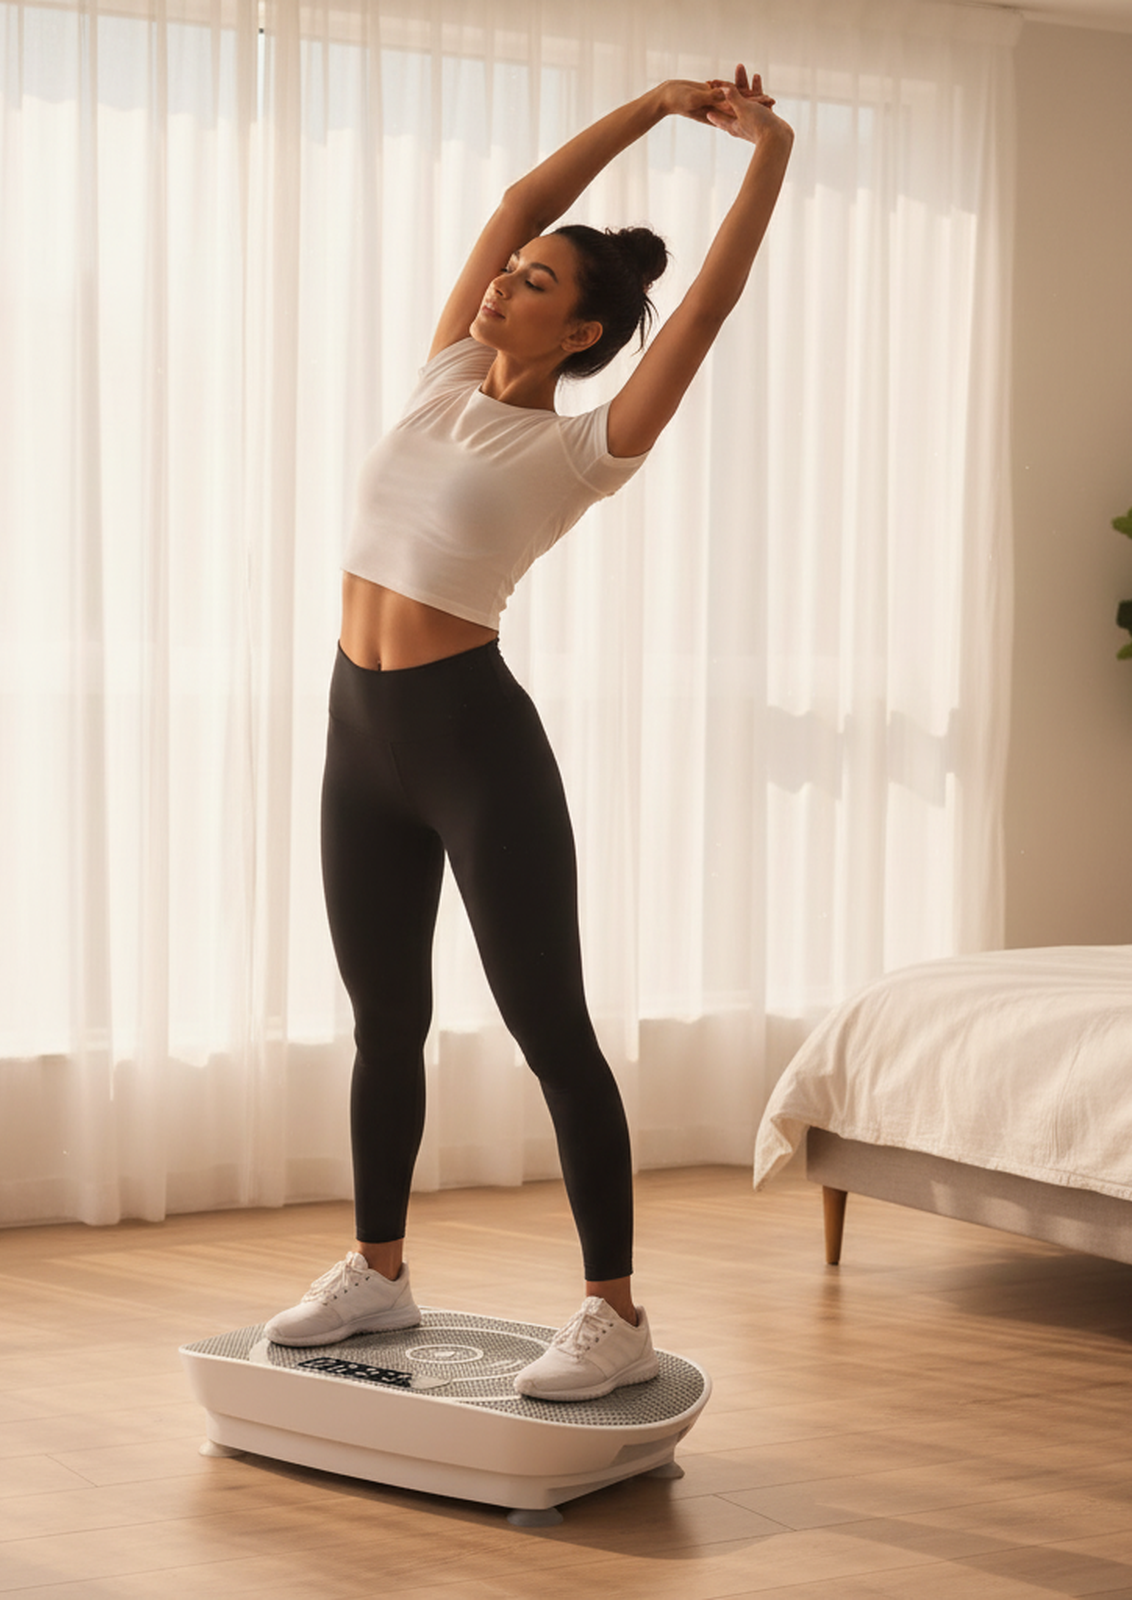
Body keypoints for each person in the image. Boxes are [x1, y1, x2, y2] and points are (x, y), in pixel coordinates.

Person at [265, 65, 794, 1401]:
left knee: (549, 1027)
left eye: (539, 282)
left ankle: (613, 1313)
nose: (504, 276)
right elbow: (524, 196)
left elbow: (713, 303)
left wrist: (766, 152)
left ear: (583, 336)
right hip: (361, 733)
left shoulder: (588, 447)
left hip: (472, 748)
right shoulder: (448, 369)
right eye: (511, 269)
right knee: (386, 1021)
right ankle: (379, 1275)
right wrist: (659, 104)